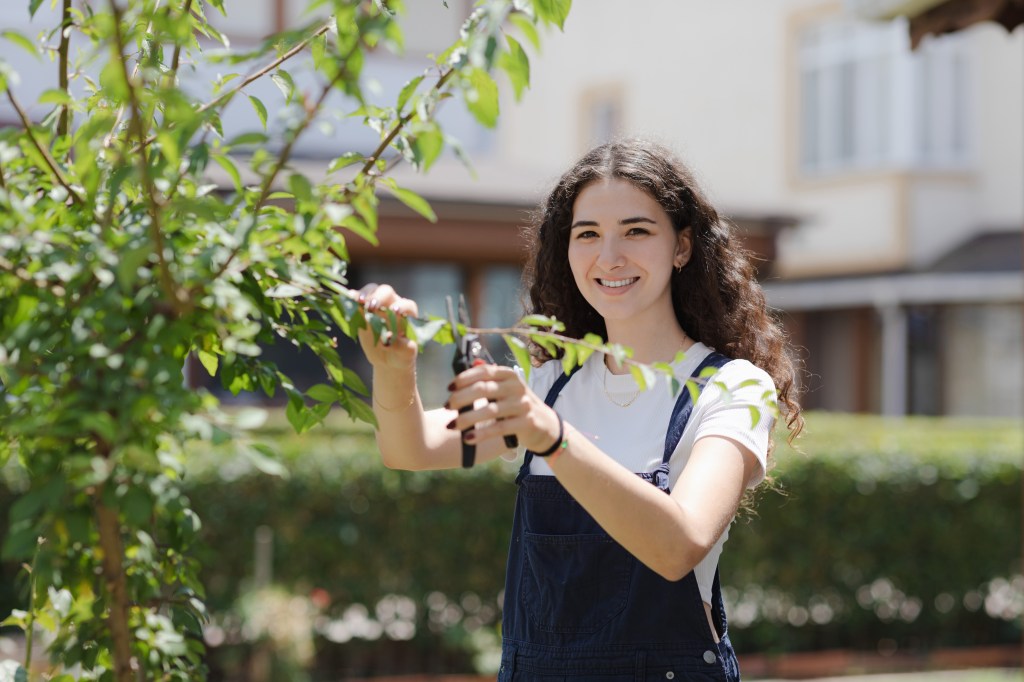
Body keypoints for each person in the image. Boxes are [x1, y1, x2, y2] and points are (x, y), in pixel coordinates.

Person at [356, 139, 803, 681]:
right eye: (587, 234)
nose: (609, 256)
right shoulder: (550, 384)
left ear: (682, 247)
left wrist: (553, 437)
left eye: (636, 231)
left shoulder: (731, 388)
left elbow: (678, 544)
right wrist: (394, 366)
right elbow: (410, 450)